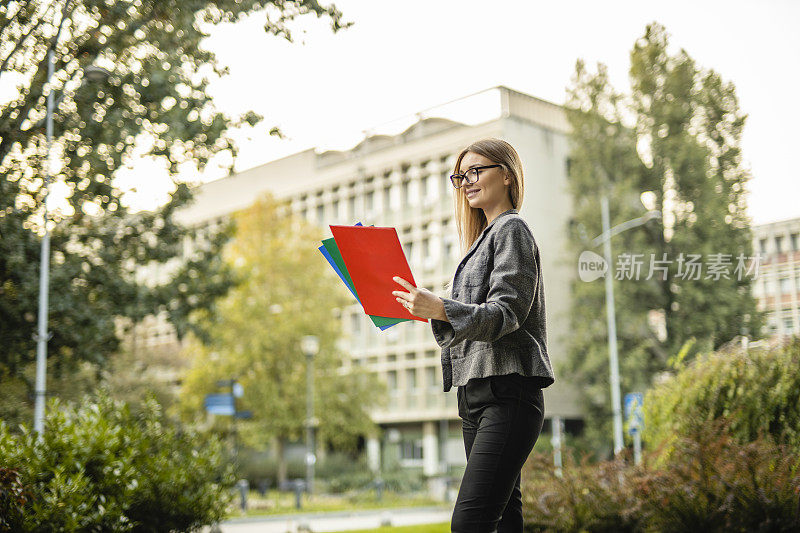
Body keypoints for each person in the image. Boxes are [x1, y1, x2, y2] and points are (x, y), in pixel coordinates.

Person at [391, 138, 555, 532]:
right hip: (475, 396)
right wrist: (431, 310)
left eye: (476, 171)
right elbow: (470, 324)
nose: (466, 181)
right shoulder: (478, 242)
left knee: (470, 522)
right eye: (460, 175)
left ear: (507, 175)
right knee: (504, 522)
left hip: (508, 392)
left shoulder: (512, 228)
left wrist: (442, 307)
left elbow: (507, 313)